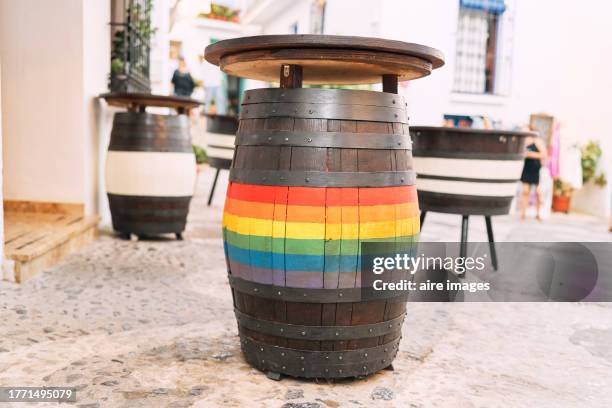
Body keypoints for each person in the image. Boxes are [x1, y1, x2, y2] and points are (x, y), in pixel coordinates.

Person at [519, 134, 547, 220]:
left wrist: (529, 154)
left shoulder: (537, 141)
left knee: (538, 193)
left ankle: (538, 213)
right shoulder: (523, 141)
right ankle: (523, 213)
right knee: (525, 191)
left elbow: (544, 154)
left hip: (535, 170)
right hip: (526, 168)